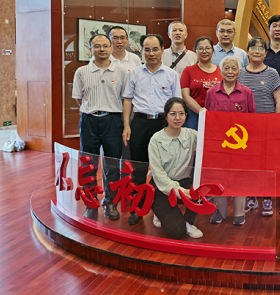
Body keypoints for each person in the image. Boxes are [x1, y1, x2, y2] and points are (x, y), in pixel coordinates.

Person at [122, 34, 181, 225]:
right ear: (141, 51)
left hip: (163, 124)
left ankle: (161, 210)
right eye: (147, 49)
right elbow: (128, 100)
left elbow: (176, 103)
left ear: (163, 50)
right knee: (138, 169)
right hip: (139, 123)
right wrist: (127, 126)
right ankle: (137, 208)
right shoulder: (134, 73)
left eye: (155, 49)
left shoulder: (171, 75)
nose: (151, 53)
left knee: (164, 168)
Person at [72, 34, 129, 221]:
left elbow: (125, 99)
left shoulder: (121, 72)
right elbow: (79, 98)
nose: (101, 49)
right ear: (91, 49)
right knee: (88, 164)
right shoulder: (82, 72)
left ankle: (110, 202)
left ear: (111, 48)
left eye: (105, 46)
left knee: (112, 164)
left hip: (113, 121)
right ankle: (90, 203)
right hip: (89, 120)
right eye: (97, 46)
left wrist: (125, 125)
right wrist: (92, 109)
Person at [205, 56, 257, 226]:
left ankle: (239, 213)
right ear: (220, 71)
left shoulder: (247, 92)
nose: (230, 72)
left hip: (241, 144)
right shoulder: (211, 93)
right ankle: (221, 211)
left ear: (239, 71)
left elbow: (253, 119)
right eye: (226, 68)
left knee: (239, 177)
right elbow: (208, 119)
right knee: (218, 176)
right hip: (218, 144)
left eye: (234, 68)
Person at [239, 37, 280, 217]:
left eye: (260, 48)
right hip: (246, 128)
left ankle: (266, 198)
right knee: (249, 164)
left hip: (268, 125)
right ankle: (251, 197)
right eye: (253, 48)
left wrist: (277, 124)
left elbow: (279, 101)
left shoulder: (272, 73)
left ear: (266, 53)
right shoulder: (240, 73)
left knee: (267, 164)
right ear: (247, 52)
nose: (257, 51)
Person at [148, 97, 203, 239]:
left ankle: (188, 223)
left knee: (201, 192)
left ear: (186, 115)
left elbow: (211, 141)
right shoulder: (156, 140)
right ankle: (161, 213)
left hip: (183, 181)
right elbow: (159, 176)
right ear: (166, 116)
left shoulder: (192, 135)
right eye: (173, 114)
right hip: (160, 186)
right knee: (177, 231)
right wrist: (181, 191)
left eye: (181, 113)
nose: (177, 118)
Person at [180, 37, 222, 130]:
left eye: (207, 48)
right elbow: (185, 96)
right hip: (193, 114)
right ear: (195, 50)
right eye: (200, 48)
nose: (204, 51)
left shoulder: (221, 71)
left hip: (216, 114)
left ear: (213, 50)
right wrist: (202, 112)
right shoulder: (188, 70)